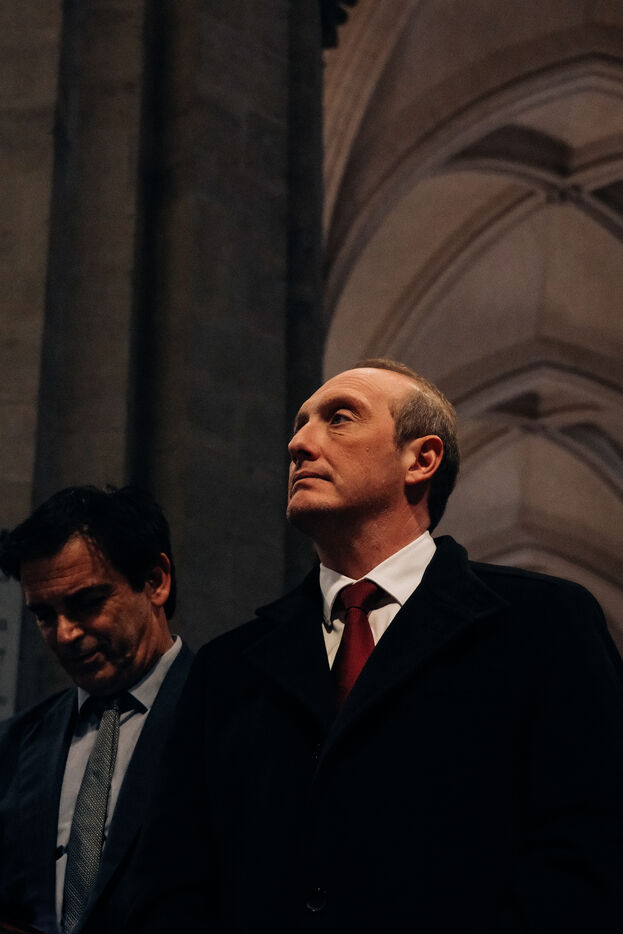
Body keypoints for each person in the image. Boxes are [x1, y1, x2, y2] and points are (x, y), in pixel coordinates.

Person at [133, 360, 623, 933]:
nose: (298, 443)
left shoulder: (544, 624)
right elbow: (173, 881)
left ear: (422, 459)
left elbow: (592, 848)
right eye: (299, 424)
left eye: (339, 418)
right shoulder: (228, 668)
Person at [0, 485, 193, 934]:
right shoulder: (15, 744)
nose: (64, 633)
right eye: (44, 615)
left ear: (155, 581)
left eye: (86, 602)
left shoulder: (229, 714)